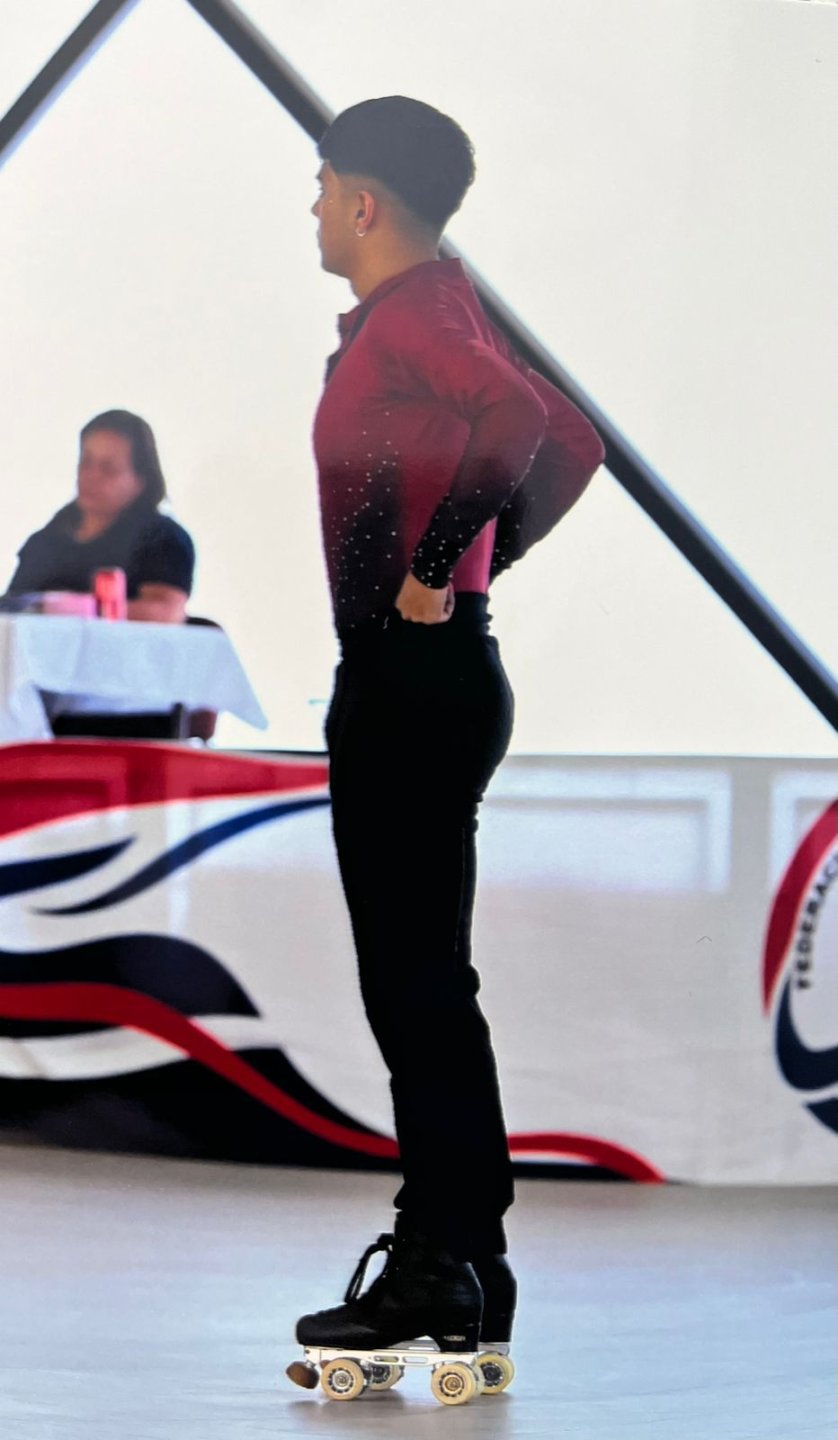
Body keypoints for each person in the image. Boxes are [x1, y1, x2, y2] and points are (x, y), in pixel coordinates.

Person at [295, 97, 605, 1363]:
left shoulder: (418, 315)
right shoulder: (439, 309)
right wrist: (476, 565)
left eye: (322, 187)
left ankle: (446, 1261)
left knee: (415, 985)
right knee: (424, 983)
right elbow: (569, 437)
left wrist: (440, 567)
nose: (313, 209)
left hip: (409, 678)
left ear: (365, 202)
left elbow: (531, 427)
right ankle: (460, 1257)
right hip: (433, 670)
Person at [7, 409, 194, 622]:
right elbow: (11, 609)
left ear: (140, 481)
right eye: (86, 462)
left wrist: (74, 609)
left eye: (108, 468)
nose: (91, 476)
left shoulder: (162, 539)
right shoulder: (46, 541)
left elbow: (166, 613)